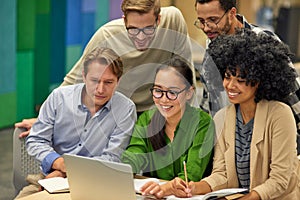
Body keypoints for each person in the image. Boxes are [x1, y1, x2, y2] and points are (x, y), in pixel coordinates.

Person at [15, 0, 195, 137]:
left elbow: (185, 74)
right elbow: (74, 80)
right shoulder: (107, 35)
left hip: (161, 109)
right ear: (124, 21)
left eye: (148, 29)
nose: (141, 37)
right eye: (133, 30)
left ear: (159, 19)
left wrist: (190, 118)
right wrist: (43, 120)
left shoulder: (173, 20)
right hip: (121, 112)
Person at [173, 29, 300, 199]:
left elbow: (279, 180)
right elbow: (222, 174)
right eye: (227, 76)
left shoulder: (280, 115)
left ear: (259, 81)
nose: (230, 86)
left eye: (240, 80)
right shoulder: (222, 118)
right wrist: (194, 187)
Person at [15, 47, 137, 198]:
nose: (100, 89)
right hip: (51, 179)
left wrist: (65, 172)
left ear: (118, 81)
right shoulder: (59, 98)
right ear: (84, 76)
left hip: (97, 182)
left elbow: (112, 157)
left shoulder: (126, 109)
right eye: (95, 81)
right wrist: (58, 163)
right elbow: (36, 140)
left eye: (108, 82)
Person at [194, 0, 300, 154]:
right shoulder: (212, 47)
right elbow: (209, 105)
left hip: (269, 145)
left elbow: (293, 96)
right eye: (201, 21)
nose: (206, 27)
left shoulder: (263, 40)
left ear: (231, 13)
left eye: (213, 20)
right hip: (233, 149)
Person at [121, 56, 214, 199]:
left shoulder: (203, 123)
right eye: (158, 90)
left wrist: (167, 188)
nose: (164, 99)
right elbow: (134, 155)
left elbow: (191, 174)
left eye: (172, 92)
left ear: (189, 93)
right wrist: (120, 171)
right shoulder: (146, 119)